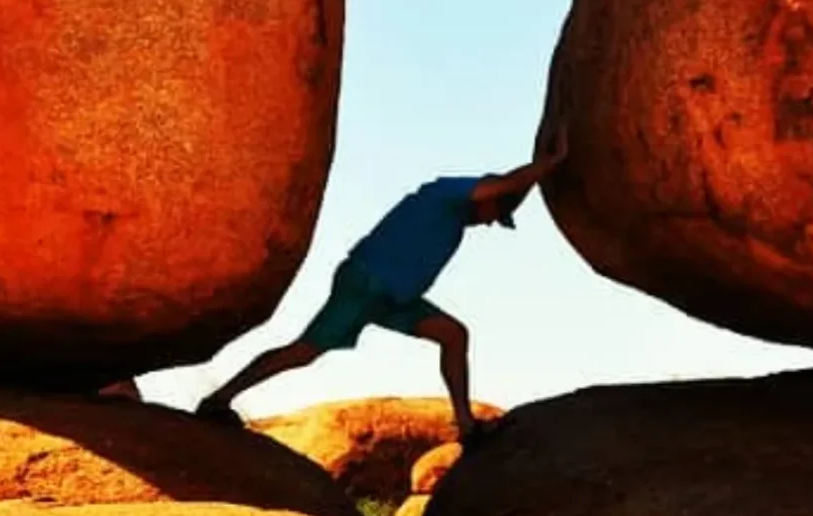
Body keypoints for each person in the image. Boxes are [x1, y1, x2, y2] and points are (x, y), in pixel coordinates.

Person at [195, 130, 570, 443]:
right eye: (497, 213)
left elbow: (502, 189)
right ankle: (218, 399)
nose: (492, 223)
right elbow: (504, 183)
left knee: (453, 335)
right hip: (366, 282)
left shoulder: (453, 224)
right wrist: (552, 162)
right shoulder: (444, 193)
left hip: (392, 297)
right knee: (304, 351)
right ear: (487, 198)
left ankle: (466, 428)